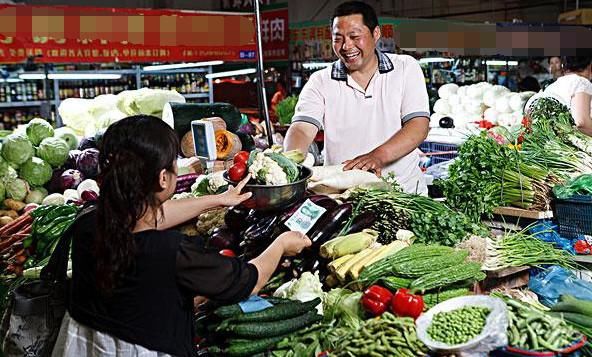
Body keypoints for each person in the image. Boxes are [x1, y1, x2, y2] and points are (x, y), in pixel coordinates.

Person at [52, 115, 311, 357]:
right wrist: (280, 245)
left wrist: (219, 200)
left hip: (83, 345)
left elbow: (156, 214)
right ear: (163, 178)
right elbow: (247, 280)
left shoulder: (89, 222)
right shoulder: (169, 251)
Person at [283, 1, 430, 194]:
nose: (346, 46)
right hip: (343, 197)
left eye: (355, 36)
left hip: (403, 193)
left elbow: (418, 126)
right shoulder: (320, 81)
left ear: (376, 34)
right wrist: (289, 163)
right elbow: (302, 129)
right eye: (338, 39)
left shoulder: (405, 68)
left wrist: (377, 156)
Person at [543, 56, 592, 136]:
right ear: (590, 65)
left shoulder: (551, 87)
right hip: (579, 145)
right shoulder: (582, 83)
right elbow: (582, 123)